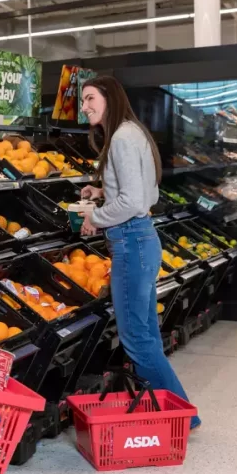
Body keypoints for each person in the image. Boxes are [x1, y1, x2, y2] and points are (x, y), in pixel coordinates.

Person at [78, 75, 201, 430]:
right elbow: (148, 194)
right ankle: (173, 409)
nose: (85, 107)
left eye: (90, 99)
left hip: (130, 244)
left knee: (136, 340)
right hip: (142, 241)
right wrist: (102, 191)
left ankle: (183, 416)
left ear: (109, 98)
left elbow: (132, 202)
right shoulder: (133, 132)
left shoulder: (120, 139)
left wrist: (95, 216)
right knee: (146, 336)